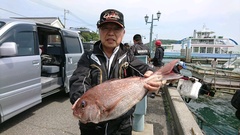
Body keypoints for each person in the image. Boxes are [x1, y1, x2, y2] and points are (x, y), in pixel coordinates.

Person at [69, 9, 163, 135]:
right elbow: (79, 79)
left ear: (123, 33)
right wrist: (80, 98)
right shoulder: (88, 57)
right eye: (105, 28)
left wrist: (153, 76)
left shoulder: (128, 56)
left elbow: (145, 69)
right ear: (99, 31)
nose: (111, 33)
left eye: (116, 29)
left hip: (122, 127)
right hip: (91, 128)